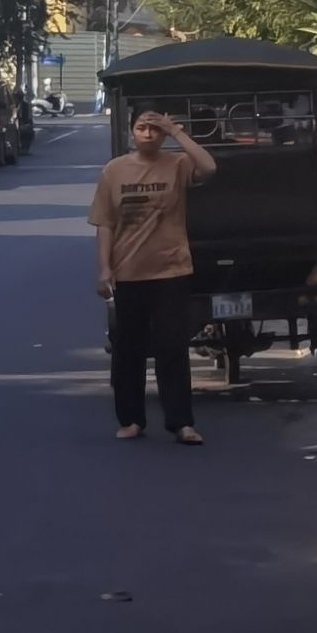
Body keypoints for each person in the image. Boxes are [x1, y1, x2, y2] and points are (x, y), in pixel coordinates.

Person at [89, 110, 217, 443]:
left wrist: (176, 131)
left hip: (171, 269)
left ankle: (181, 423)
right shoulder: (114, 171)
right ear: (131, 131)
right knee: (128, 350)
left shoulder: (177, 165)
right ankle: (131, 419)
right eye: (141, 128)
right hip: (128, 273)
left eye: (154, 129)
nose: (147, 134)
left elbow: (209, 167)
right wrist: (104, 269)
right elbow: (105, 224)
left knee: (172, 349)